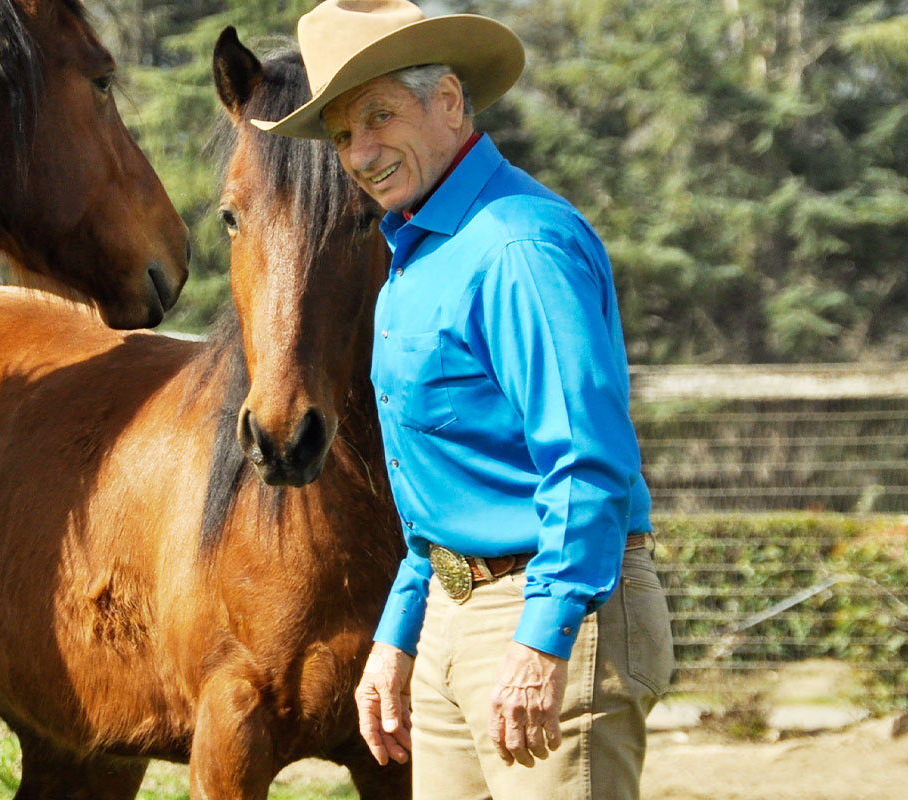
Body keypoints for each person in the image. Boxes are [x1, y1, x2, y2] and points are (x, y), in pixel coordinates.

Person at [254, 1, 673, 797]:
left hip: (550, 609)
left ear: (448, 101)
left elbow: (588, 459)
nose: (361, 153)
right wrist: (399, 636)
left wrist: (543, 643)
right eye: (343, 135)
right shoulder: (416, 256)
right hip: (452, 612)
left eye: (379, 116)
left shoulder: (518, 244)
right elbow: (434, 490)